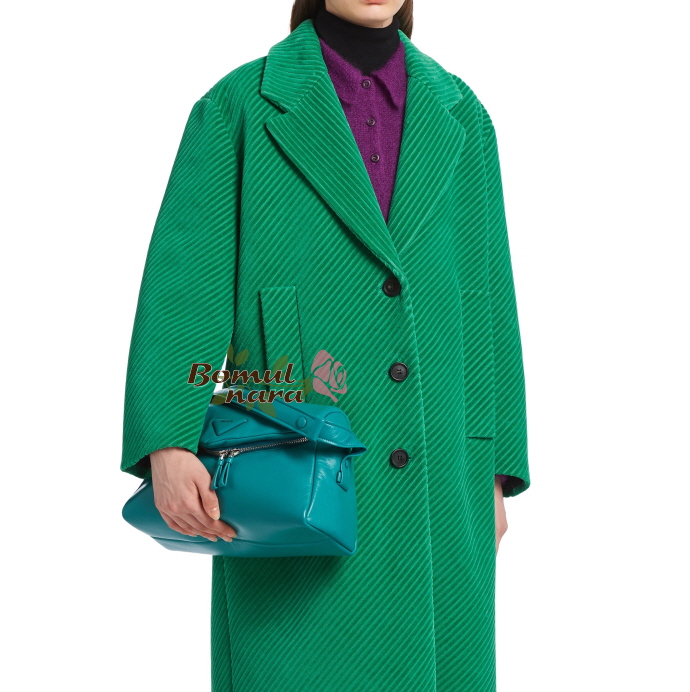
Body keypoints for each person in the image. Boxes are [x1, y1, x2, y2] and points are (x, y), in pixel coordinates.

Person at [120, 1, 531, 690]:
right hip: (294, 459)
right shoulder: (240, 107)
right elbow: (187, 287)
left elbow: (490, 301)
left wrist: (495, 469)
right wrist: (169, 438)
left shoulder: (462, 115)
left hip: (440, 470)